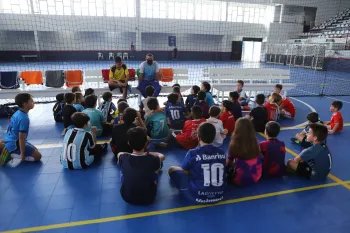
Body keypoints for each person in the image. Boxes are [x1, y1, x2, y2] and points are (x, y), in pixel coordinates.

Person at [168, 123, 226, 204]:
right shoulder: (221, 152)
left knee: (172, 169)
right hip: (219, 195)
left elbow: (184, 171)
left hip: (197, 196)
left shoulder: (193, 153)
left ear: (198, 137)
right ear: (214, 138)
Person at [117, 127, 165, 205]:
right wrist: (148, 154)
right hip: (149, 198)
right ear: (146, 142)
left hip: (127, 197)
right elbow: (162, 156)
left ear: (129, 143)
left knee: (123, 168)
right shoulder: (153, 159)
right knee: (157, 167)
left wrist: (129, 154)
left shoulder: (123, 157)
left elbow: (119, 153)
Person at [0, 93, 42, 166]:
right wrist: (22, 153)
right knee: (38, 156)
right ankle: (11, 154)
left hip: (10, 139)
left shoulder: (17, 112)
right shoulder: (24, 118)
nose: (33, 102)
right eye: (31, 101)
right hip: (15, 143)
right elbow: (21, 137)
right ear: (25, 104)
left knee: (35, 149)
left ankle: (6, 146)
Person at [227, 118, 262, 186]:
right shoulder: (255, 142)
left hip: (239, 180)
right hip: (256, 177)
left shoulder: (234, 144)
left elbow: (228, 162)